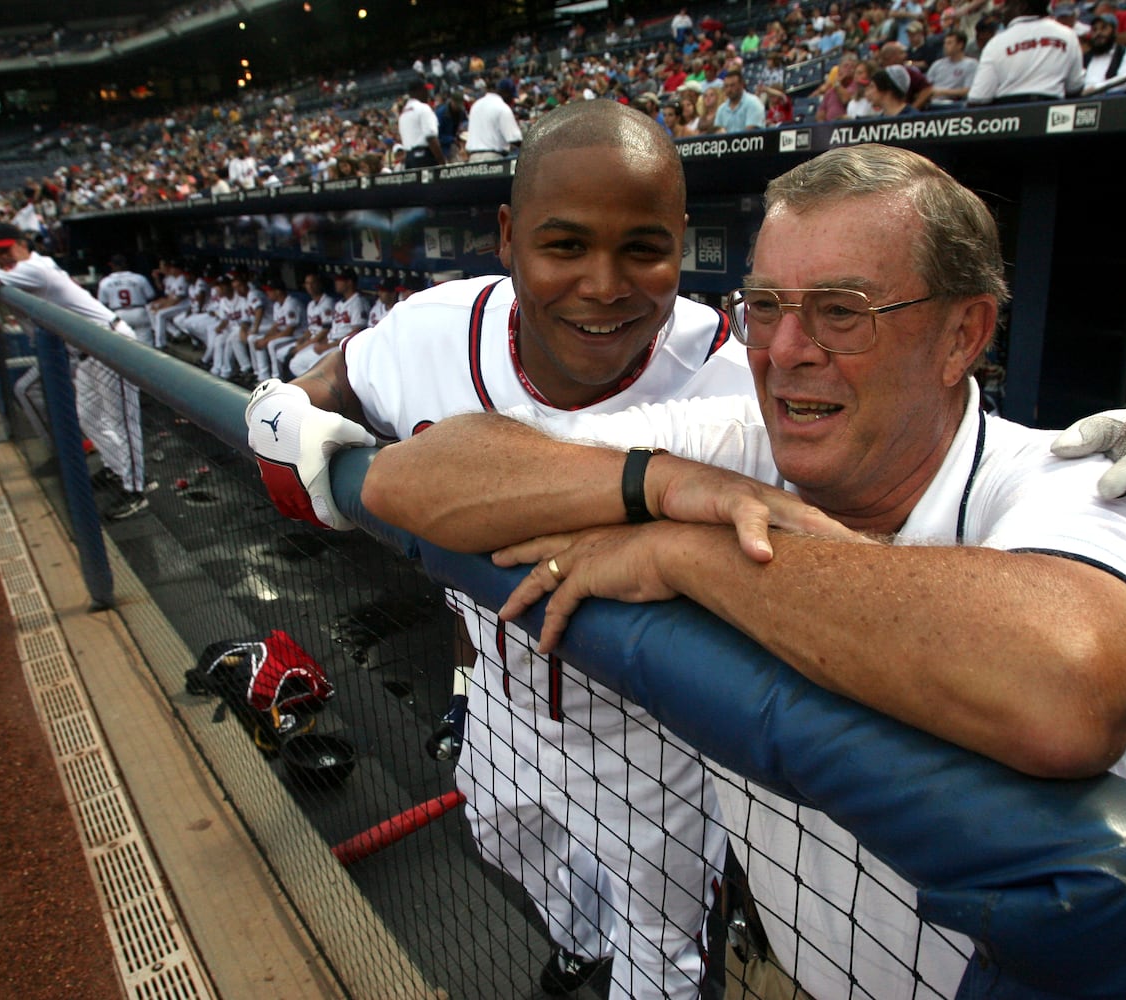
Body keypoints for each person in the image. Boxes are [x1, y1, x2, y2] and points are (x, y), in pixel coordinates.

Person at [357, 144, 1126, 1000]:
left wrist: (689, 553)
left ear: (963, 333)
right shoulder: (738, 445)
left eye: (842, 311)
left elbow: (1064, 685)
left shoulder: (1064, 478)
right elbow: (412, 475)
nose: (786, 349)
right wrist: (661, 484)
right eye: (764, 306)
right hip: (789, 966)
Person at [246, 100, 764, 1000]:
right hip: (501, 699)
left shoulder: (729, 374)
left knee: (664, 951)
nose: (604, 285)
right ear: (506, 235)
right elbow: (332, 379)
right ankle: (579, 949)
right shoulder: (434, 329)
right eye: (563, 246)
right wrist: (288, 405)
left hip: (656, 737)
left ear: (683, 242)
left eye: (642, 248)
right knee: (507, 843)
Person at [0, 223, 152, 520]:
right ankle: (116, 468)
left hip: (111, 343)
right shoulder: (23, 265)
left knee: (121, 420)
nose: (2, 257)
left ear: (21, 244)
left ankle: (137, 489)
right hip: (86, 351)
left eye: (6, 250)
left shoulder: (32, 268)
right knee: (90, 416)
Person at [967, 0, 1085, 102]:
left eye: (1007, 4)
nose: (1002, 10)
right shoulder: (1068, 35)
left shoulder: (996, 43)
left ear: (1021, 6)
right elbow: (1075, 87)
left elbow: (978, 98)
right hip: (1054, 114)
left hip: (1008, 116)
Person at [96, 254, 157, 345]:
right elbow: (150, 296)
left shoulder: (105, 282)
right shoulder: (139, 278)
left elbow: (102, 302)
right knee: (146, 343)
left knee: (123, 344)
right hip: (139, 311)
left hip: (118, 313)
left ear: (111, 265)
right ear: (126, 264)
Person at [465, 77, 524, 162]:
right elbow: (515, 139)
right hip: (493, 159)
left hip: (473, 158)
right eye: (511, 96)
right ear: (505, 93)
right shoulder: (502, 107)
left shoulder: (476, 105)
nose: (512, 99)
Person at [1083, 12, 1126, 91]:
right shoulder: (1086, 58)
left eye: (1104, 28)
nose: (1098, 33)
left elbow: (1125, 82)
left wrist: (1095, 89)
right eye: (1094, 30)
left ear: (1114, 31)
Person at [398, 78, 445, 169]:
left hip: (409, 158)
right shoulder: (423, 108)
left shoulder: (403, 113)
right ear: (420, 91)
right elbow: (431, 138)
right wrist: (442, 163)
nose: (428, 93)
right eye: (426, 90)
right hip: (424, 157)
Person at [926, 29, 980, 106]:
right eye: (945, 43)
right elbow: (926, 86)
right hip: (932, 102)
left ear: (960, 45)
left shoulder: (971, 64)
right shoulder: (937, 64)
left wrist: (941, 92)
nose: (945, 46)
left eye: (949, 43)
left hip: (954, 104)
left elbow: (968, 90)